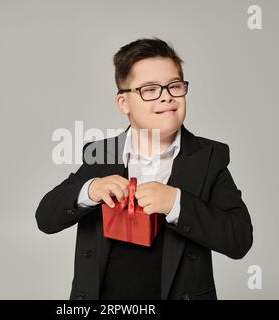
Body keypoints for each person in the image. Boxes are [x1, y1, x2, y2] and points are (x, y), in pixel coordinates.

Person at [35, 37, 253, 300]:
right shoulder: (102, 154)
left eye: (174, 86)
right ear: (124, 103)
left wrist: (176, 203)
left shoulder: (208, 158)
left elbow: (239, 239)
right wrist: (91, 189)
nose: (166, 97)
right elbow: (46, 218)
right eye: (150, 89)